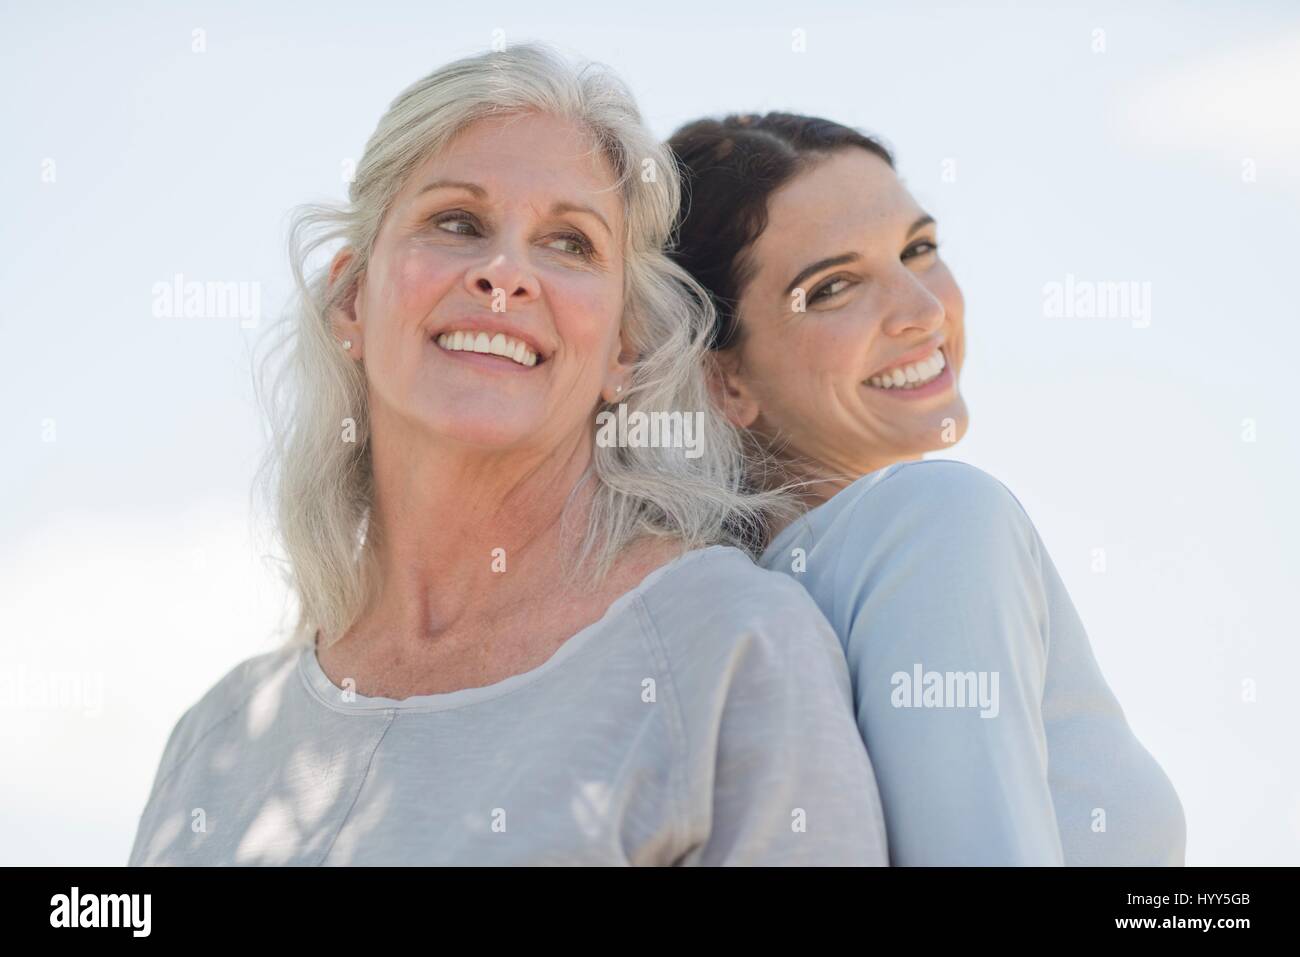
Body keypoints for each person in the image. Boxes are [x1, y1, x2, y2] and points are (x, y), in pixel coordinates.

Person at [127, 50, 888, 867]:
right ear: (352, 298)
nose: (505, 274)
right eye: (457, 223)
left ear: (624, 347)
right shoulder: (215, 740)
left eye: (569, 242)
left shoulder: (734, 646)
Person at [666, 112, 1186, 865]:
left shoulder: (722, 612)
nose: (922, 310)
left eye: (919, 249)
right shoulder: (939, 521)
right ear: (724, 377)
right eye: (835, 286)